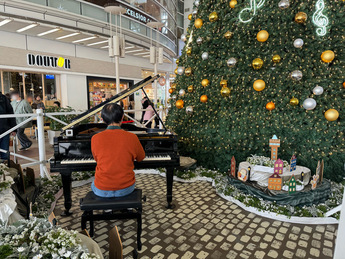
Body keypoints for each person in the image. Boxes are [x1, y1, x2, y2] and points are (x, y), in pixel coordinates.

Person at [91, 103, 145, 197]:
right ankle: (127, 206)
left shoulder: (95, 138)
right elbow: (141, 158)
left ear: (103, 119)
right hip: (126, 188)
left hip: (102, 189)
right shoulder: (132, 137)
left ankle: (107, 208)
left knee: (93, 184)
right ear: (122, 117)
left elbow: (97, 159)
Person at [0, 92, 16, 160]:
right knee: (5, 154)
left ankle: (5, 169)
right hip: (4, 129)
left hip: (4, 130)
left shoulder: (3, 98)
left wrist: (13, 128)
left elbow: (10, 113)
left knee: (5, 155)